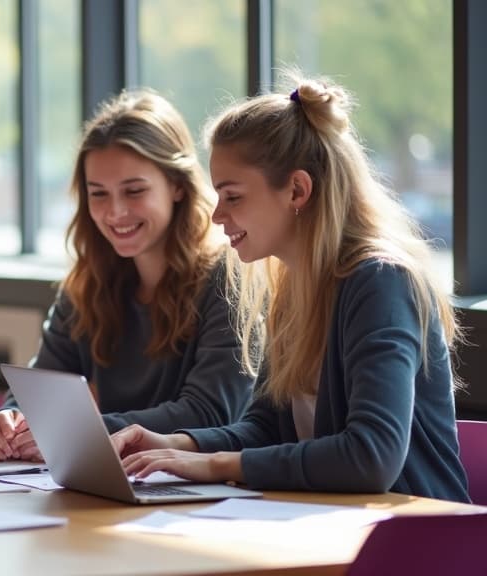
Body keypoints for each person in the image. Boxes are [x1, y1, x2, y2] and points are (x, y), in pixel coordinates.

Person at [112, 73, 470, 503]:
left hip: (410, 543)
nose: (216, 215)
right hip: (331, 527)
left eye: (233, 196)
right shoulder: (293, 289)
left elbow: (372, 456)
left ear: (297, 190)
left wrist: (218, 465)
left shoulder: (381, 283)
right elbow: (266, 429)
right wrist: (176, 445)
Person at [0, 90, 255, 463]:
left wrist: (74, 430)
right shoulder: (88, 284)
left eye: (134, 190)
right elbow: (38, 391)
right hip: (111, 479)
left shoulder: (231, 280)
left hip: (196, 491)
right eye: (99, 194)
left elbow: (209, 413)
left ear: (177, 185)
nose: (115, 212)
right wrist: (9, 420)